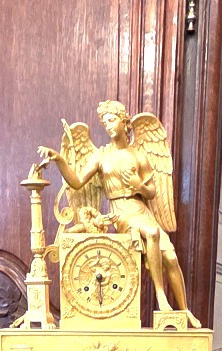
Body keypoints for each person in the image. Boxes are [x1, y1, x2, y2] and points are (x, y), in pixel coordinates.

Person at [39, 101, 199, 326]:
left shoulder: (139, 154)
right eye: (104, 122)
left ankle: (184, 311)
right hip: (122, 214)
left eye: (112, 120)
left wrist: (139, 187)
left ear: (124, 122)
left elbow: (152, 191)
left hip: (141, 210)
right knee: (152, 233)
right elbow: (76, 182)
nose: (108, 126)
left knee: (171, 257)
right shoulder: (101, 155)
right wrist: (60, 159)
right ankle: (161, 297)